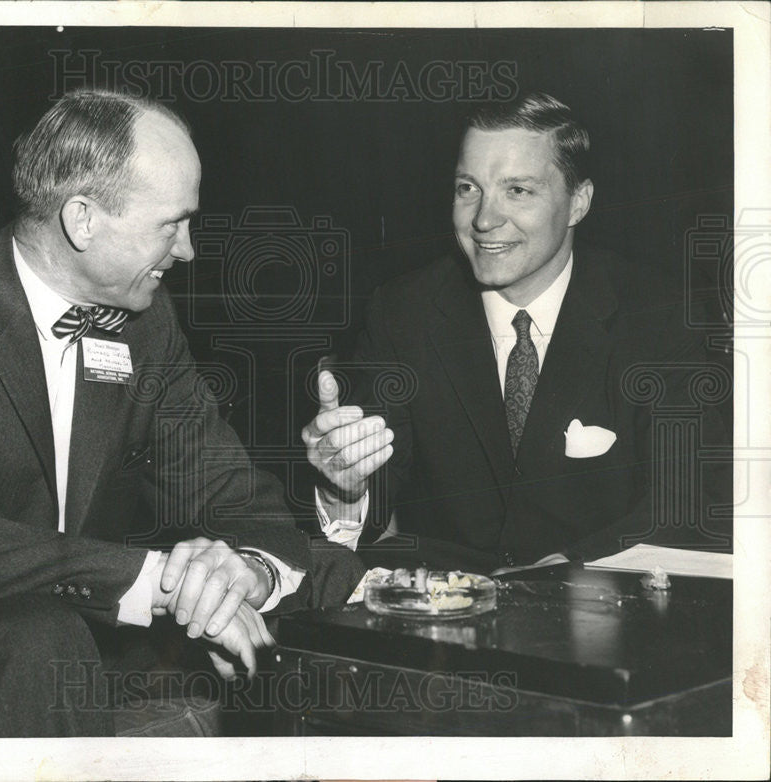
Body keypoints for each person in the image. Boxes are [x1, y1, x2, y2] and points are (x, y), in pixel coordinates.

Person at [0, 89, 362, 737]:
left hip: (68, 648)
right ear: (82, 220)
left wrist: (247, 572)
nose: (188, 251)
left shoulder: (144, 329)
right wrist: (159, 580)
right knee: (39, 639)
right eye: (171, 224)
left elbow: (240, 499)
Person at [304, 92, 731, 574]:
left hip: (601, 608)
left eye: (518, 191)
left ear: (578, 202)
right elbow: (371, 502)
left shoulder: (660, 317)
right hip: (445, 612)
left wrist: (570, 568)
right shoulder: (403, 312)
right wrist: (344, 487)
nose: (484, 220)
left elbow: (690, 499)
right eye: (468, 188)